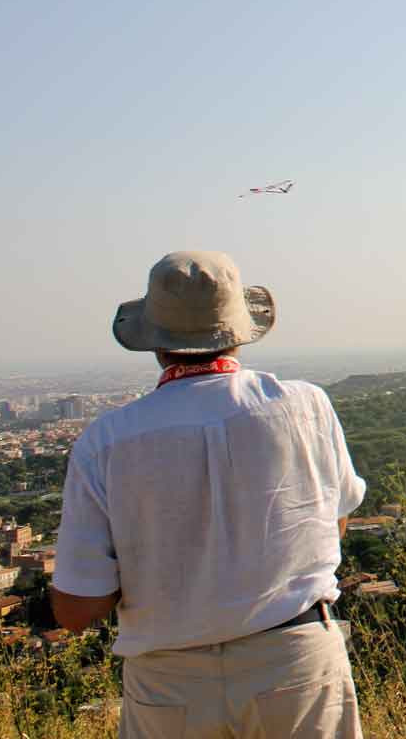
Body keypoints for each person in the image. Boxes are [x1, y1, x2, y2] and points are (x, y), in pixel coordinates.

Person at [51, 250, 367, 738]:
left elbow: (75, 610)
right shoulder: (305, 408)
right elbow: (335, 522)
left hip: (168, 684)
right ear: (239, 331)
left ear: (155, 342)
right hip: (294, 660)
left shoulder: (106, 442)